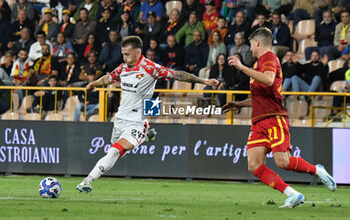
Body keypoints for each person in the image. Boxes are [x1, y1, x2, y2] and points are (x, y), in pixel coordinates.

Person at [76, 35, 219, 193]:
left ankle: (87, 181)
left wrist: (204, 81)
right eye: (123, 54)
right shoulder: (123, 68)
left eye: (127, 54)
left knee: (115, 150)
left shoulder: (150, 68)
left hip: (137, 121)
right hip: (120, 119)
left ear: (138, 53)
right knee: (116, 154)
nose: (124, 57)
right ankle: (145, 137)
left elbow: (177, 75)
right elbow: (108, 79)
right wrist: (93, 84)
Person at [223, 27, 336, 208]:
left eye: (251, 45)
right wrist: (239, 104)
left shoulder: (269, 59)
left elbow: (268, 80)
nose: (251, 49)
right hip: (259, 122)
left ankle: (317, 170)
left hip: (274, 118)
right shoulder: (257, 65)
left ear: (258, 43)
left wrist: (241, 67)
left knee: (282, 162)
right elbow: (261, 96)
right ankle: (292, 194)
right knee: (254, 165)